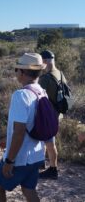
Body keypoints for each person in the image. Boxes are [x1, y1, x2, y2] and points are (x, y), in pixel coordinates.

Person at [0, 53, 46, 202]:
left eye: (17, 69)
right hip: (37, 154)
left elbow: (19, 132)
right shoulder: (41, 92)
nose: (16, 72)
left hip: (21, 157)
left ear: (22, 72)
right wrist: (7, 138)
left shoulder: (21, 95)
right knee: (29, 189)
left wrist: (9, 161)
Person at [38, 50, 68, 180]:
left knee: (50, 143)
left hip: (49, 116)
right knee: (46, 140)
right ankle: (41, 162)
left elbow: (35, 96)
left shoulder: (45, 78)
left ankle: (53, 169)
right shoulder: (60, 74)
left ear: (44, 61)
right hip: (58, 114)